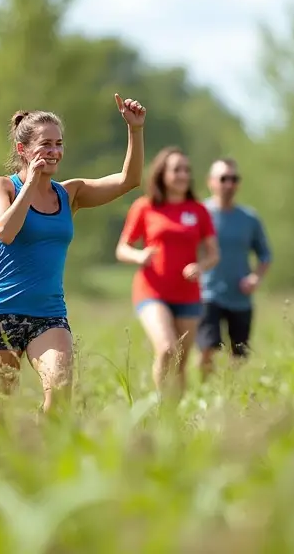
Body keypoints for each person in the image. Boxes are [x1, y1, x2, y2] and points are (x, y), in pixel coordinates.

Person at [0, 94, 146, 425]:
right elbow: (6, 231)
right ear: (23, 150)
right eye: (45, 144)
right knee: (0, 420)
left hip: (48, 316)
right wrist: (31, 183)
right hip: (0, 314)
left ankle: (41, 450)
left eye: (59, 144)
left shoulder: (70, 193)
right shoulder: (1, 187)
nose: (54, 151)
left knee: (61, 391)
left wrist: (135, 131)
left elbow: (129, 180)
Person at [116, 146, 220, 398]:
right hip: (152, 290)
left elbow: (213, 254)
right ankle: (162, 409)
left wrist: (200, 266)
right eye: (176, 170)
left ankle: (175, 420)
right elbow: (122, 248)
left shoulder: (198, 210)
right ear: (162, 174)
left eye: (186, 170)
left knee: (180, 363)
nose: (183, 175)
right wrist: (140, 255)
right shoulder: (145, 207)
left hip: (188, 294)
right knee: (166, 350)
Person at [196, 157, 272, 379]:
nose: (229, 184)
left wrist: (255, 278)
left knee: (239, 354)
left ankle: (231, 392)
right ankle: (205, 391)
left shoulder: (249, 218)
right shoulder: (200, 213)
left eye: (234, 179)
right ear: (210, 181)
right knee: (207, 347)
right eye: (223, 178)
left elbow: (265, 254)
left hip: (240, 296)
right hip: (207, 293)